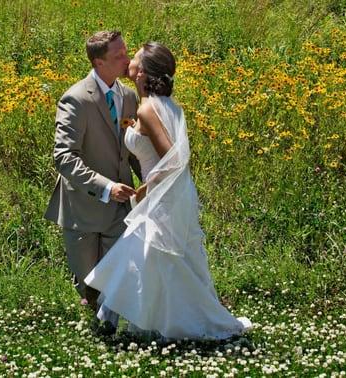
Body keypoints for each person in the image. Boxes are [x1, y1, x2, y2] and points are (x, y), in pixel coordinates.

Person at [84, 42, 252, 340]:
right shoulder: (164, 106)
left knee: (145, 254)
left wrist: (145, 190)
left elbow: (173, 158)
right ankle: (137, 318)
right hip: (169, 193)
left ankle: (136, 319)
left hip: (161, 194)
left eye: (133, 58)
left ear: (143, 71)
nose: (128, 62)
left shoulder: (148, 108)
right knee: (156, 259)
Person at [44, 31, 142, 333]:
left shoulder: (128, 97)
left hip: (121, 206)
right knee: (87, 279)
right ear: (99, 62)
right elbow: (64, 157)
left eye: (126, 52)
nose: (127, 59)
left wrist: (155, 179)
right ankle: (93, 310)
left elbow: (132, 149)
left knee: (115, 273)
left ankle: (109, 327)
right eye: (119, 56)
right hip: (84, 206)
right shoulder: (75, 98)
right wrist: (105, 187)